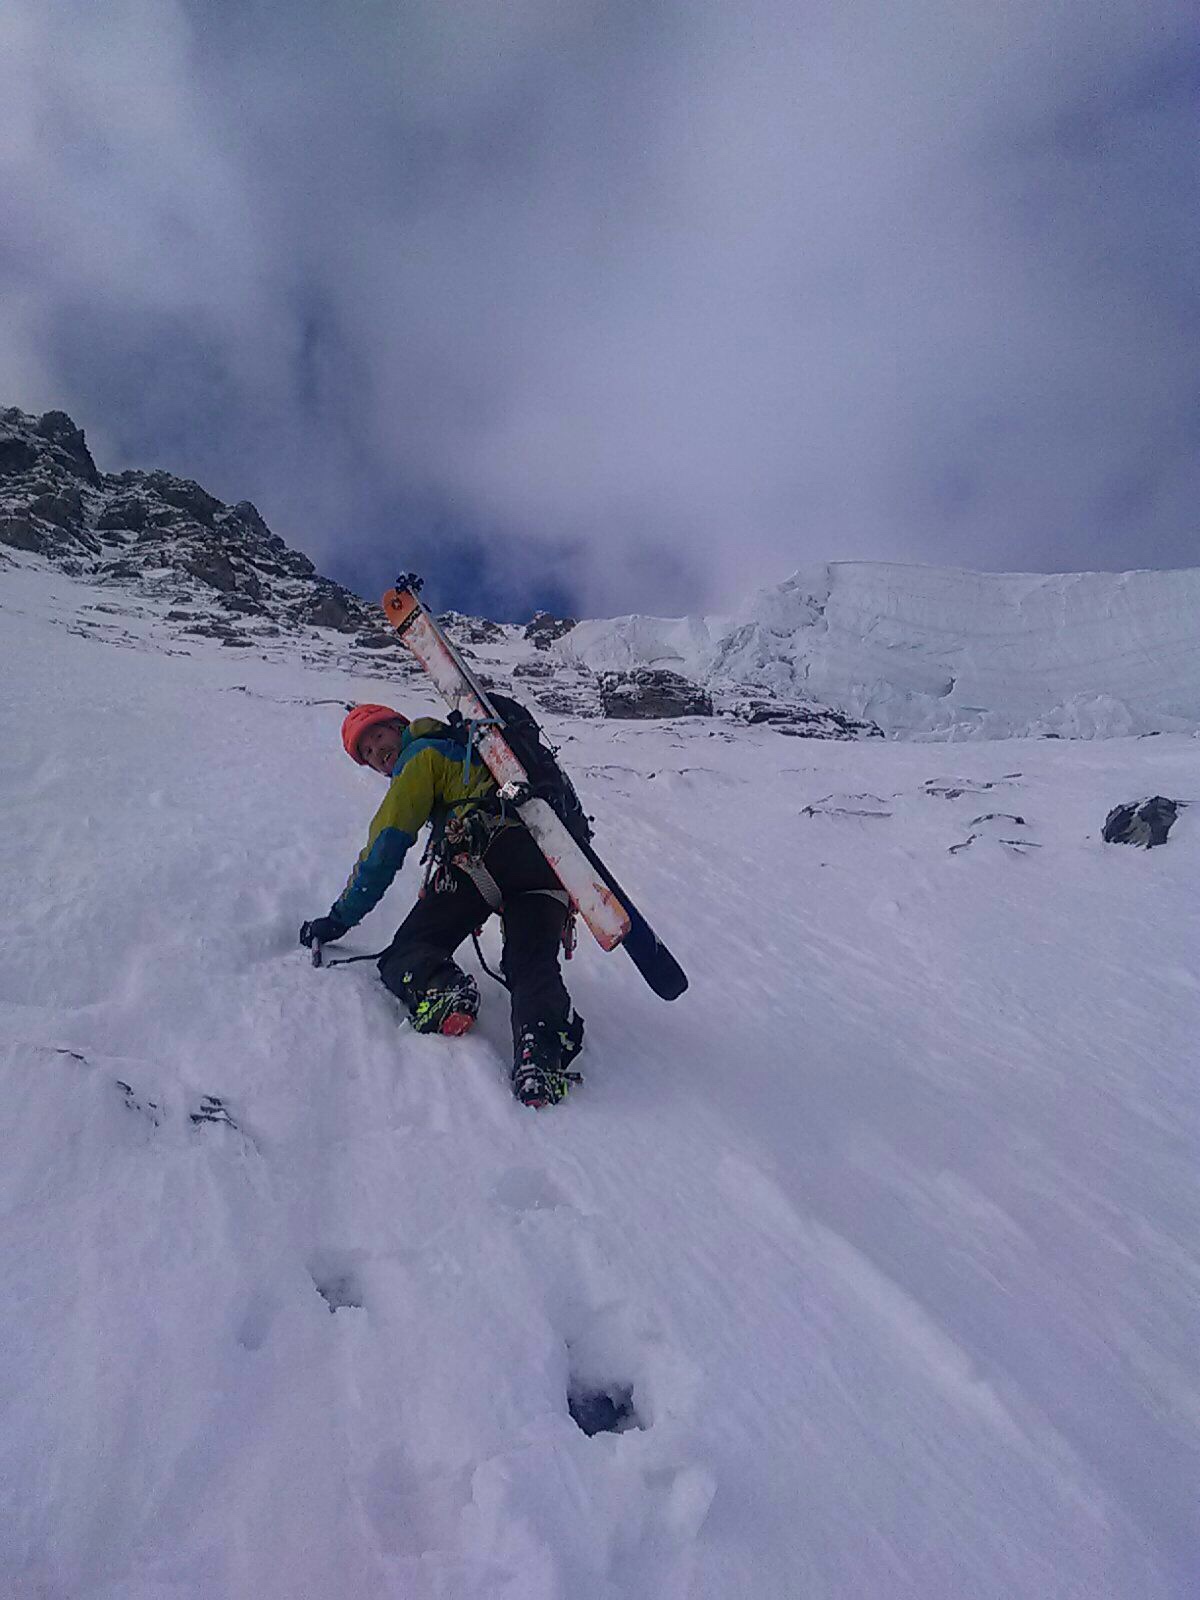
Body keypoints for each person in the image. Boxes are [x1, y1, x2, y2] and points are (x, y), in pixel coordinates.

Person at [300, 702, 584, 1108]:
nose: (376, 753)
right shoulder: (471, 751)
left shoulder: (423, 755)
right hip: (551, 864)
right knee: (531, 962)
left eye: (377, 736)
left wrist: (338, 919)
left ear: (400, 726)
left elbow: (385, 847)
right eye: (365, 752)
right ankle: (541, 1057)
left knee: (406, 953)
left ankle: (445, 990)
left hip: (485, 852)